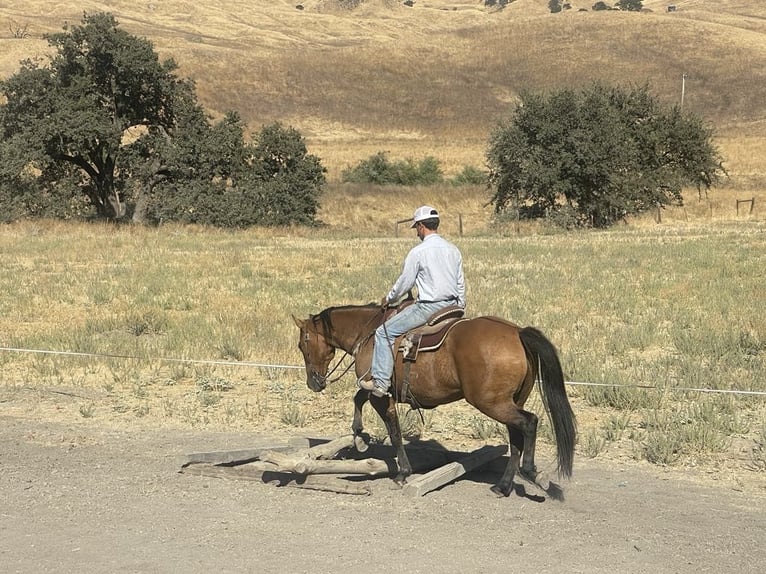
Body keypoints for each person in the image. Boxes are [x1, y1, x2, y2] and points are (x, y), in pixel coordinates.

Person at [358, 205, 466, 397]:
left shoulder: (418, 252)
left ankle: (381, 382)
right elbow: (460, 282)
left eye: (416, 227)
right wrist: (460, 306)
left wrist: (389, 298)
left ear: (421, 226)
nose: (417, 232)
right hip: (452, 307)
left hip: (428, 307)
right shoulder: (453, 250)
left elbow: (405, 283)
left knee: (383, 332)